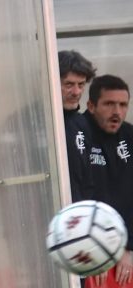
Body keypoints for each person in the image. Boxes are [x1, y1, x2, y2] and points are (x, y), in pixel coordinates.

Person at [77, 75, 133, 288]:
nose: (117, 112)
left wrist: (127, 248)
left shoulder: (130, 136)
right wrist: (89, 248)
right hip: (82, 253)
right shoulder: (77, 134)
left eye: (123, 104)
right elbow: (78, 195)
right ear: (92, 104)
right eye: (110, 104)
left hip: (123, 254)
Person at [59, 50, 97, 202]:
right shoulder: (37, 122)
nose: (76, 92)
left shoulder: (83, 123)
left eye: (81, 85)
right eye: (69, 84)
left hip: (78, 215)